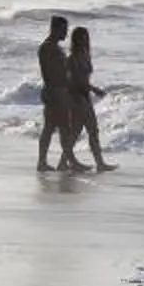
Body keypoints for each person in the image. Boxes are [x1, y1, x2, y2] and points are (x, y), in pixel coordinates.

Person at [35, 15, 80, 172]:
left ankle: (54, 161)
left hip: (56, 90)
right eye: (63, 30)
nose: (66, 33)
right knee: (60, 128)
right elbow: (53, 73)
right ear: (55, 29)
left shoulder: (53, 48)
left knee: (58, 128)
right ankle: (63, 161)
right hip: (55, 91)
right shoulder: (48, 48)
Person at [69, 24, 114, 171]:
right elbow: (76, 80)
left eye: (86, 37)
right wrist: (95, 89)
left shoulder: (86, 55)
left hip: (85, 96)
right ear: (75, 40)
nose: (84, 40)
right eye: (81, 38)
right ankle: (68, 161)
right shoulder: (72, 58)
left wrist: (91, 90)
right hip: (76, 96)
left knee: (88, 131)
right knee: (83, 130)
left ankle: (99, 163)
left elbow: (85, 79)